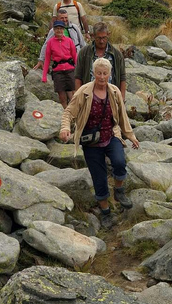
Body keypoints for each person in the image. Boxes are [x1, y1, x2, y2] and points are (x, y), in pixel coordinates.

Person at [59, 58, 139, 230]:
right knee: (99, 179)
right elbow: (68, 113)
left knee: (119, 162)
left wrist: (131, 136)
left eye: (105, 73)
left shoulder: (115, 92)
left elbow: (122, 116)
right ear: (93, 73)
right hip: (91, 142)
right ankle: (106, 213)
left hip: (111, 136)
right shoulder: (83, 92)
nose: (102, 77)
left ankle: (119, 192)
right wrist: (65, 128)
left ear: (110, 74)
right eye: (99, 73)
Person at [75, 22, 126, 99]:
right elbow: (78, 76)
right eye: (99, 38)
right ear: (93, 36)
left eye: (104, 38)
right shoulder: (84, 53)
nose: (101, 41)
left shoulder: (117, 55)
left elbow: (122, 77)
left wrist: (122, 98)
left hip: (111, 97)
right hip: (89, 97)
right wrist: (78, 97)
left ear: (108, 35)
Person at [34, 20, 77, 108]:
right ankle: (66, 114)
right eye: (57, 28)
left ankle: (74, 114)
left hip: (69, 70)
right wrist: (44, 76)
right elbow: (47, 60)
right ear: (53, 30)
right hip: (58, 71)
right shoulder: (50, 43)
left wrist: (78, 71)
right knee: (61, 96)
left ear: (63, 30)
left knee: (73, 94)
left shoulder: (69, 41)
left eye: (61, 29)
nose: (59, 31)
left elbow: (75, 57)